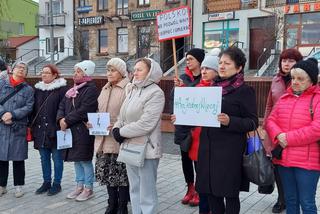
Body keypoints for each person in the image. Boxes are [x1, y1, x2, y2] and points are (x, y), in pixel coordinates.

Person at [196, 47, 258, 214]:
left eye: (227, 63)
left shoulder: (244, 91)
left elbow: (252, 122)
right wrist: (182, 118)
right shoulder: (211, 88)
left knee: (229, 195)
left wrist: (231, 121)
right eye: (220, 63)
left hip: (229, 153)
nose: (222, 66)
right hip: (207, 150)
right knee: (211, 194)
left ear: (238, 68)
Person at [266, 58, 320, 214]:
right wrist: (278, 134)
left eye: (300, 79)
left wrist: (287, 138)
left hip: (308, 162)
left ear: (312, 80)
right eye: (293, 78)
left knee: (307, 202)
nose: (295, 82)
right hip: (284, 160)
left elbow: (316, 129)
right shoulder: (285, 98)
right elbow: (271, 120)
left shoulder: (317, 100)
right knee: (290, 200)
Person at [112, 58, 165, 214]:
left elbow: (147, 123)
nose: (135, 72)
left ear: (150, 72)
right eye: (134, 69)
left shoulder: (156, 92)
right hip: (130, 146)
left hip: (147, 148)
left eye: (139, 69)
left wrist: (121, 132)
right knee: (134, 188)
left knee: (147, 192)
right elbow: (122, 115)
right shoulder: (132, 89)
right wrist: (116, 127)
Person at [262, 48, 303, 213]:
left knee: (293, 167)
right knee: (277, 167)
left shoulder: (303, 81)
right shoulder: (276, 79)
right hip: (275, 131)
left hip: (294, 132)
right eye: (284, 60)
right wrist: (266, 126)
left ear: (298, 63)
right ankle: (281, 199)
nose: (287, 64)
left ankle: (294, 198)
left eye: (291, 61)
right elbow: (269, 105)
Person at [57, 60, 98, 201]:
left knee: (85, 159)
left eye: (79, 71)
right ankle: (79, 186)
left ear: (86, 72)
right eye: (75, 70)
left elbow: (85, 110)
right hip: (71, 130)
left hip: (82, 131)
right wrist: (60, 119)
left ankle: (88, 188)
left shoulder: (91, 89)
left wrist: (67, 120)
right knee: (76, 160)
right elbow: (62, 104)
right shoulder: (73, 89)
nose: (75, 73)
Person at [93, 58, 130, 214]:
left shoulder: (128, 88)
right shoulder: (105, 88)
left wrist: (115, 124)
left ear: (121, 73)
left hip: (118, 140)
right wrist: (93, 122)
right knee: (108, 174)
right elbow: (99, 110)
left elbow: (130, 114)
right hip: (102, 140)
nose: (109, 73)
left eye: (112, 70)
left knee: (121, 176)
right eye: (107, 70)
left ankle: (122, 206)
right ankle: (111, 203)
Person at [173, 48, 205, 206]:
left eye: (191, 59)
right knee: (185, 159)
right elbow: (176, 100)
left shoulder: (205, 78)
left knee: (198, 160)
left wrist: (186, 89)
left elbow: (201, 97)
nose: (188, 62)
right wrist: (177, 88)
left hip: (198, 128)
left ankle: (199, 189)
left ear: (200, 61)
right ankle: (190, 188)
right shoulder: (183, 77)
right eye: (186, 59)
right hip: (183, 127)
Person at [31, 64, 68, 196]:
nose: (44, 74)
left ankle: (57, 184)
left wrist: (61, 122)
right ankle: (46, 182)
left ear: (54, 75)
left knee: (57, 158)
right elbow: (34, 109)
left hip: (56, 130)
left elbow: (64, 108)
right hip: (40, 130)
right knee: (43, 158)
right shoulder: (38, 89)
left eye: (47, 72)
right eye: (43, 72)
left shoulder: (62, 89)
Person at [0, 61, 34, 198]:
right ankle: (2, 185)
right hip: (2, 125)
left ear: (26, 73)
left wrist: (12, 114)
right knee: (1, 158)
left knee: (18, 158)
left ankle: (19, 186)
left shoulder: (28, 90)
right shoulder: (2, 84)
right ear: (12, 70)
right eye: (18, 67)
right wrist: (3, 114)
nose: (21, 70)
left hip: (17, 127)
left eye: (24, 68)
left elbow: (29, 107)